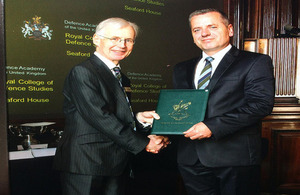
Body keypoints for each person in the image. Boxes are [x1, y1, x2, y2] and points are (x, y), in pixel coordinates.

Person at [53, 17, 168, 195]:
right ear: (96, 39)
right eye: (114, 39)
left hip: (117, 162)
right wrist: (144, 143)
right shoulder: (83, 72)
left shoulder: (123, 77)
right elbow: (100, 116)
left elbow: (113, 113)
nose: (121, 45)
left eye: (128, 40)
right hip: (87, 163)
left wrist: (137, 117)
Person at [172, 9, 275, 195]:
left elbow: (260, 105)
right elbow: (179, 108)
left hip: (235, 158)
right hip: (191, 158)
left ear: (230, 29)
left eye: (212, 26)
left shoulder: (255, 62)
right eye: (197, 29)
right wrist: (160, 128)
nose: (204, 33)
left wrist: (211, 127)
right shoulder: (181, 68)